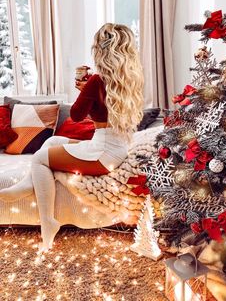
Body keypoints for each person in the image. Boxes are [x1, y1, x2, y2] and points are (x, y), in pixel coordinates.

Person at [0, 23, 144, 252]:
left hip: (102, 154)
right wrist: (88, 91)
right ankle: (28, 185)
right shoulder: (130, 79)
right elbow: (105, 108)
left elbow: (76, 115)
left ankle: (48, 221)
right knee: (52, 142)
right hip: (113, 149)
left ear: (101, 50)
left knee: (39, 159)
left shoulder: (97, 80)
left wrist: (84, 91)